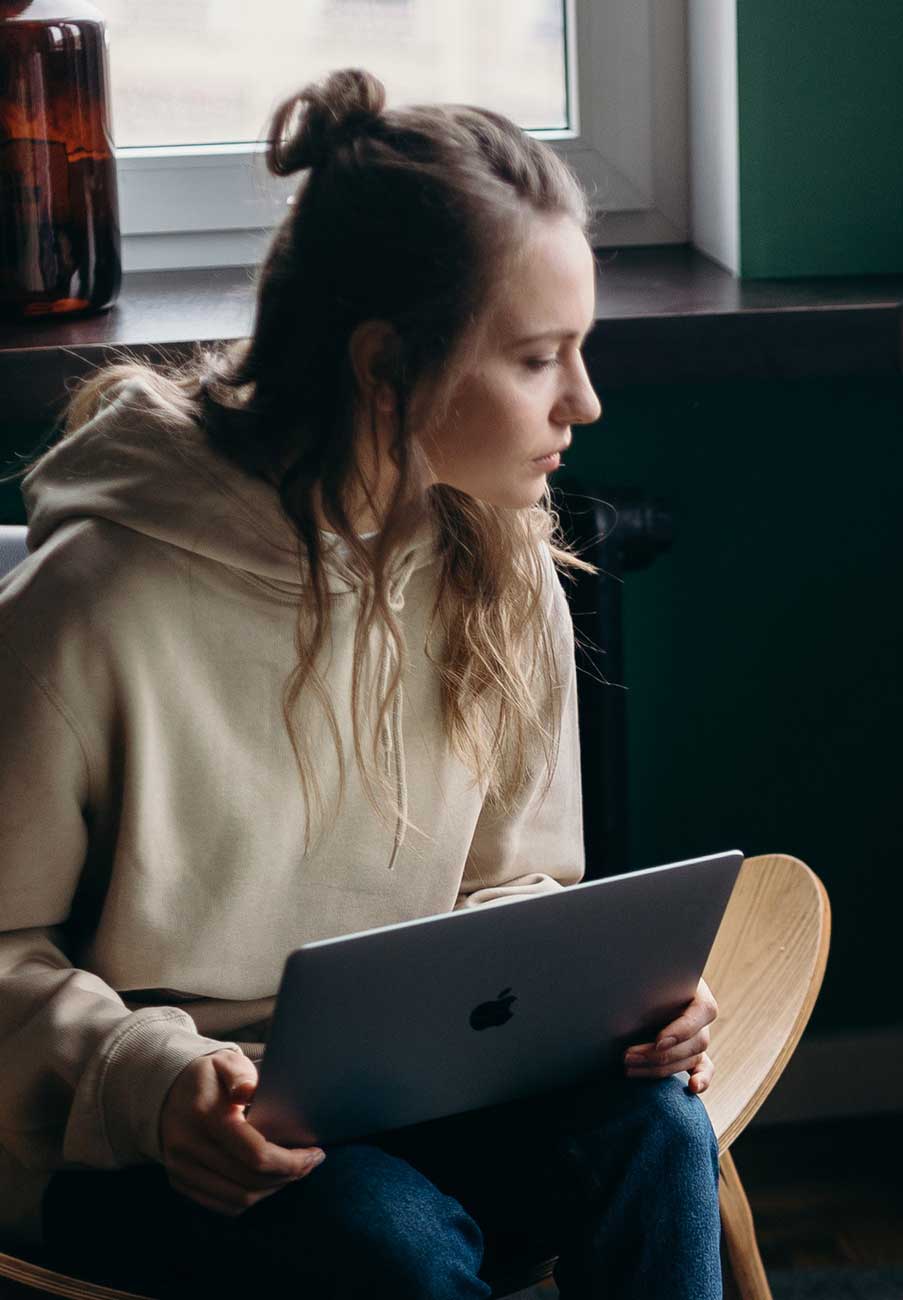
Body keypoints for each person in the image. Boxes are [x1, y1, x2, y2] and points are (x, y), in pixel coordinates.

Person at [0, 70, 723, 1298]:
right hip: (146, 1155)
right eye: (541, 357)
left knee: (652, 1130)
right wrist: (152, 1084)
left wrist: (617, 1009)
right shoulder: (96, 603)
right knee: (381, 1233)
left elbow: (517, 884)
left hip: (419, 1094)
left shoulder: (497, 559)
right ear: (388, 365)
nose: (585, 402)